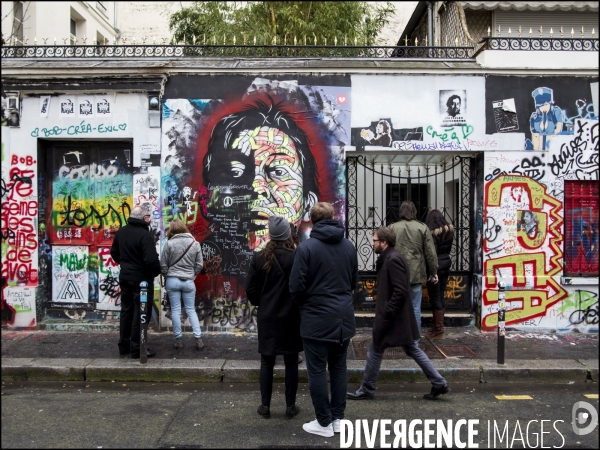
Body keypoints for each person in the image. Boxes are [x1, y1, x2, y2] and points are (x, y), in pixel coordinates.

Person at [347, 227, 450, 401]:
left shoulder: (393, 259)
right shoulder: (390, 257)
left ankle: (367, 388)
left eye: (375, 240)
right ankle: (439, 382)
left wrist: (388, 311)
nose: (372, 243)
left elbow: (401, 290)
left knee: (376, 348)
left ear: (384, 242)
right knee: (409, 348)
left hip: (393, 317)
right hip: (398, 316)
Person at [289, 202, 358, 438]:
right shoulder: (349, 246)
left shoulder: (306, 248)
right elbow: (353, 283)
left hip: (316, 318)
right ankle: (338, 419)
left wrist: (305, 306)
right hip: (343, 319)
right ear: (333, 217)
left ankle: (324, 422)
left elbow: (296, 287)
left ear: (312, 220)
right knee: (339, 367)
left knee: (317, 370)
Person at [245, 216, 303, 420]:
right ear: (288, 234)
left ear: (270, 234)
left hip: (267, 316)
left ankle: (265, 406)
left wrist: (262, 302)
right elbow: (302, 287)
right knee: (291, 362)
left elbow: (250, 289)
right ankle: (290, 406)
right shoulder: (296, 257)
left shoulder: (259, 257)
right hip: (291, 316)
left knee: (267, 362)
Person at [110, 205, 161, 359]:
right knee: (141, 312)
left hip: (125, 277)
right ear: (144, 218)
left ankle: (123, 346)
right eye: (148, 217)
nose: (150, 219)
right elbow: (151, 261)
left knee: (126, 311)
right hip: (142, 280)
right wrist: (154, 272)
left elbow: (114, 253)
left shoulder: (121, 232)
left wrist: (126, 265)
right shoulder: (144, 235)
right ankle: (137, 348)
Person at [389, 200, 438, 344]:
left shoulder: (392, 227)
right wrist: (433, 271)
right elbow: (430, 253)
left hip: (397, 273)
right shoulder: (422, 228)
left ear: (401, 212)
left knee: (397, 306)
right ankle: (414, 340)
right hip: (416, 274)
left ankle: (398, 337)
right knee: (415, 308)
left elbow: (387, 250)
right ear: (415, 212)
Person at [160, 219, 205, 351]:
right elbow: (199, 265)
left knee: (175, 310)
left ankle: (178, 340)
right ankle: (199, 339)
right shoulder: (194, 243)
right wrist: (192, 274)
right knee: (191, 310)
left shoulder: (169, 244)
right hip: (188, 281)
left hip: (172, 280)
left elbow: (163, 264)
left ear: (172, 230)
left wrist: (167, 275)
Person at [425, 209, 454, 338]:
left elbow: (432, 253)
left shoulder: (432, 234)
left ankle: (438, 329)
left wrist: (432, 271)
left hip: (436, 266)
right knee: (441, 294)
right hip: (446, 263)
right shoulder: (449, 232)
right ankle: (438, 327)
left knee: (435, 296)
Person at [528, 87, 564, 151]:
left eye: (546, 104)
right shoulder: (534, 117)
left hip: (552, 149)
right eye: (540, 106)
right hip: (539, 149)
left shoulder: (555, 112)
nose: (544, 108)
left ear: (550, 103)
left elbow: (558, 131)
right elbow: (534, 136)